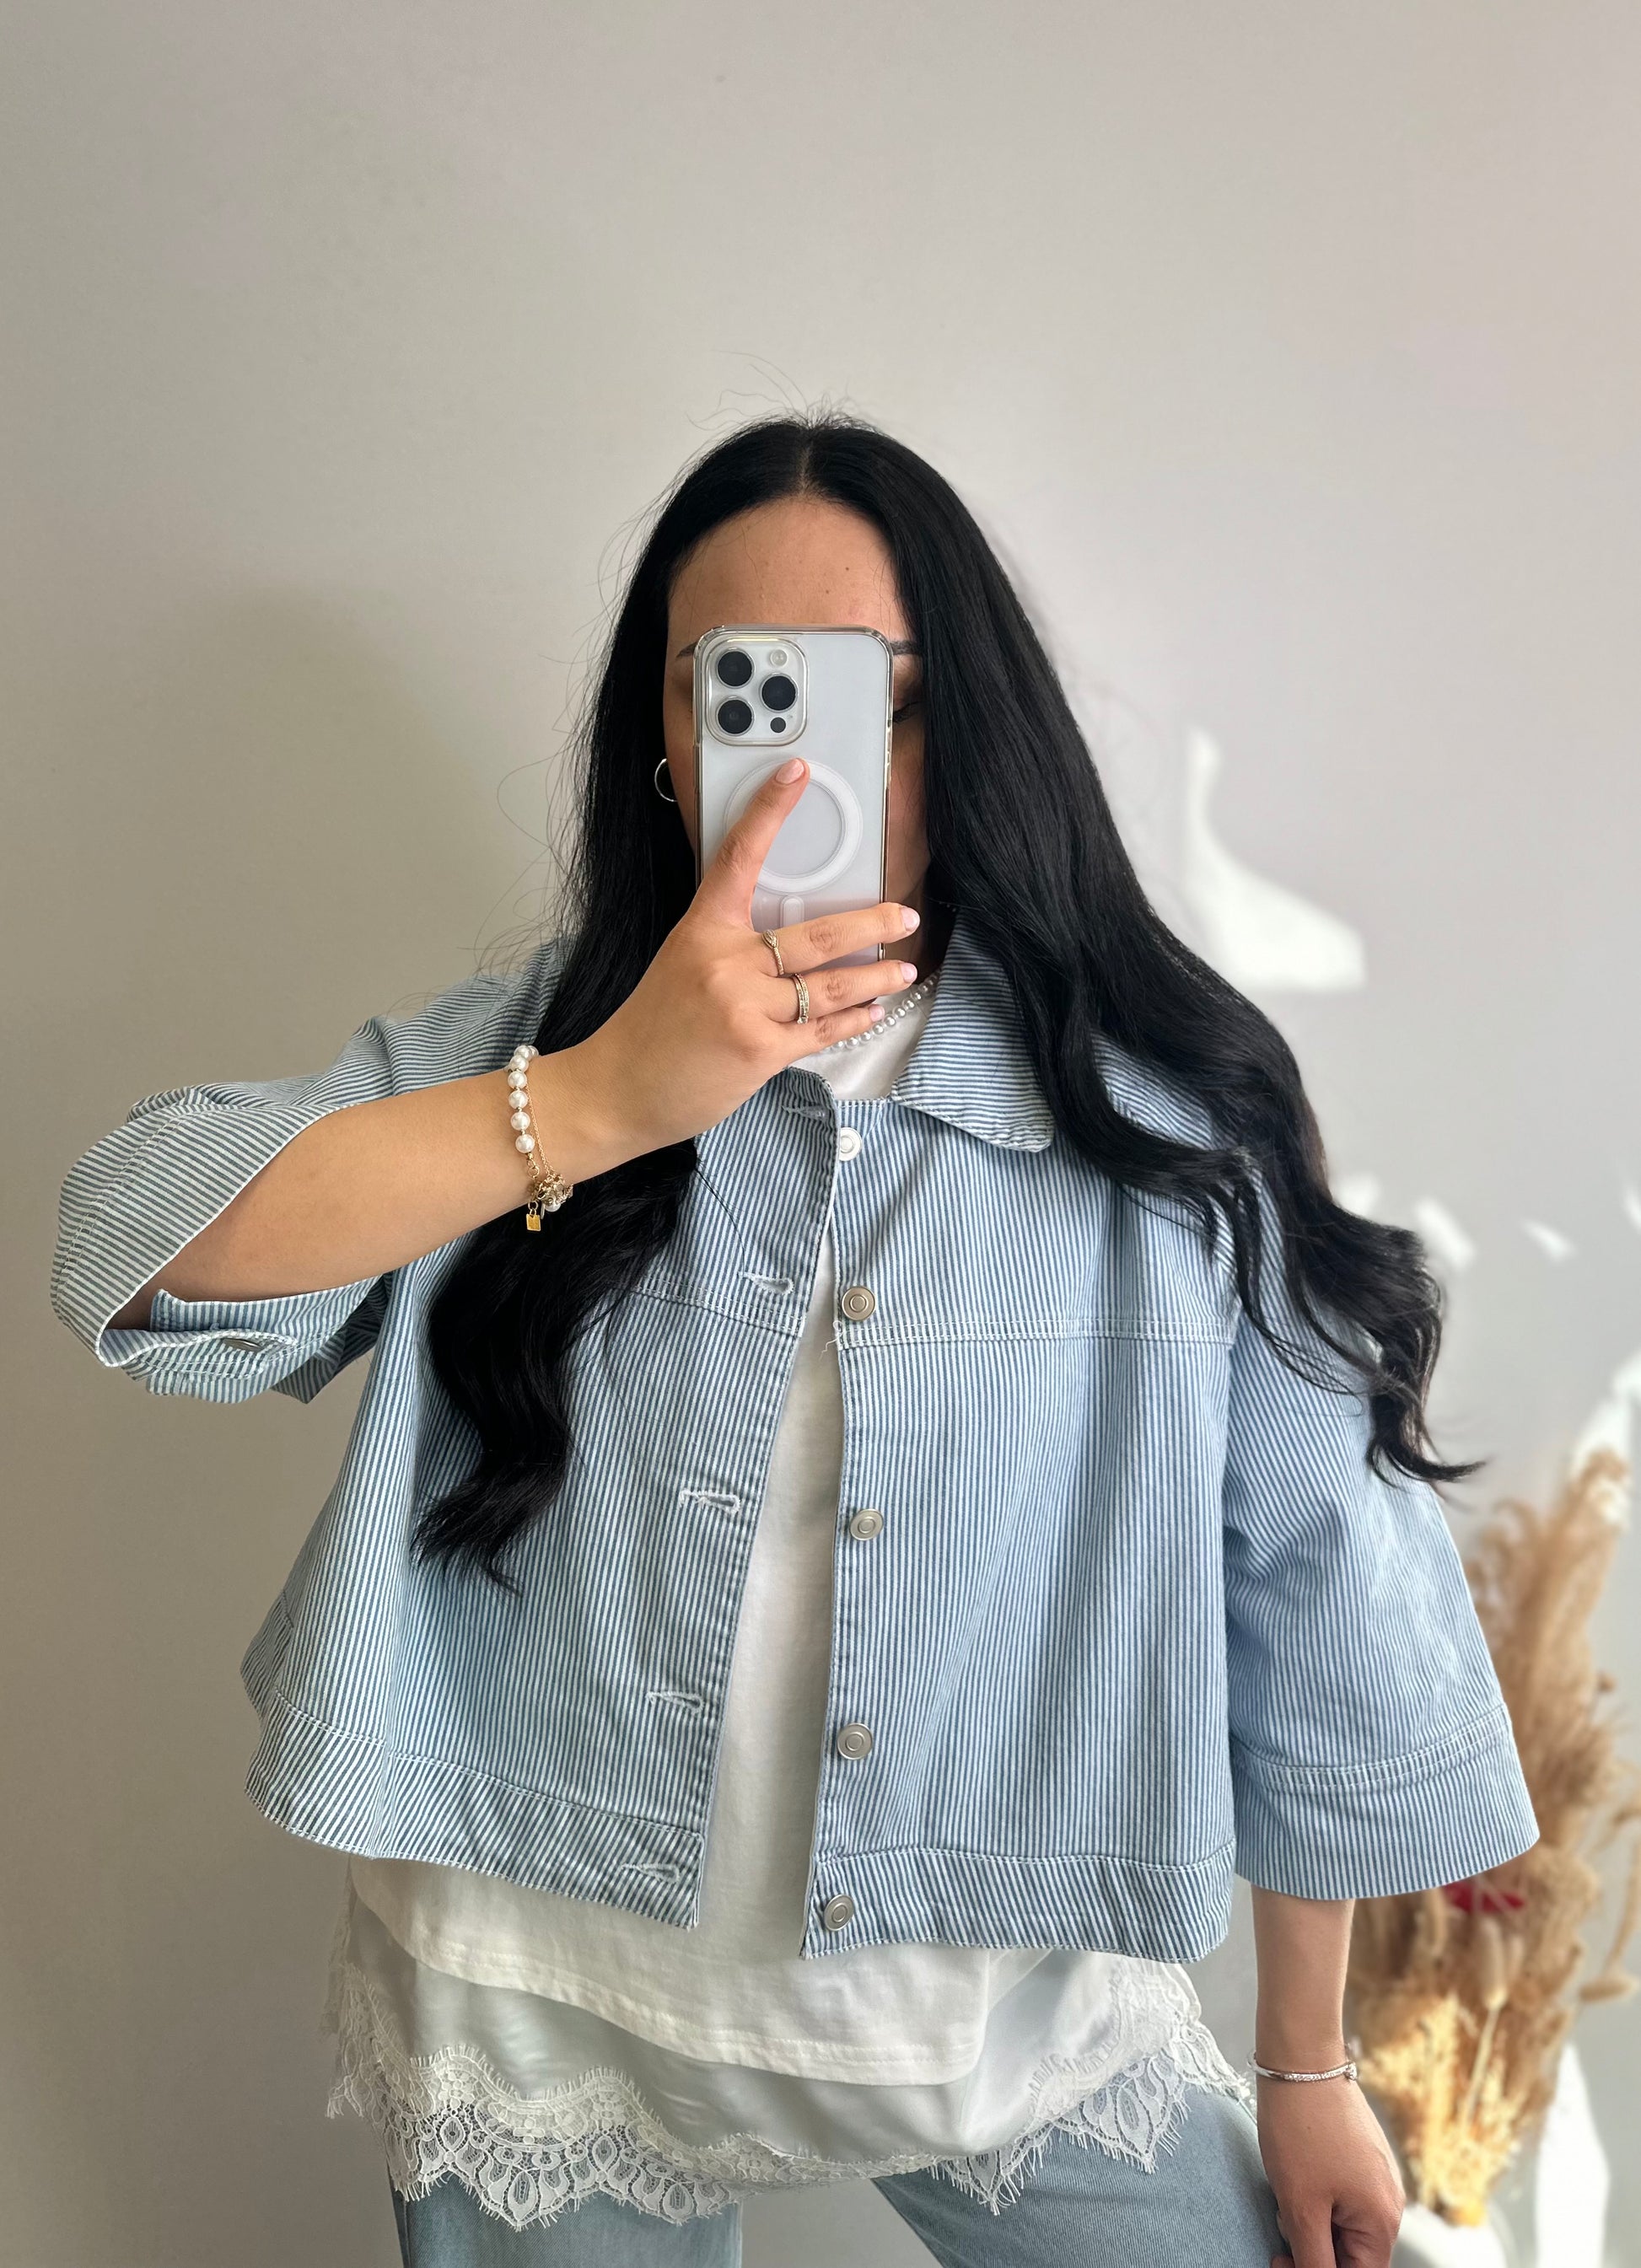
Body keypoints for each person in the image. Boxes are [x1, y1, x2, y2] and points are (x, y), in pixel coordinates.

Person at [51, 412, 1538, 2268]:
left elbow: (1319, 1587)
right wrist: (595, 1101)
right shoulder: (523, 1058)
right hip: (538, 2000)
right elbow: (126, 1253)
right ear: (664, 745)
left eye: (877, 701)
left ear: (969, 731)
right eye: (740, 692)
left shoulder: (1162, 1122)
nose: (806, 762)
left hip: (991, 2002)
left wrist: (1305, 2064)